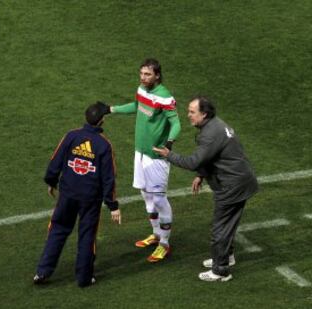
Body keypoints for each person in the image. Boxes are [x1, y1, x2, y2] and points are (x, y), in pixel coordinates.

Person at [153, 96, 258, 281]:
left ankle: (221, 271)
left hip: (231, 186)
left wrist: (169, 155)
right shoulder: (215, 126)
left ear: (204, 114)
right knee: (227, 226)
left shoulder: (210, 134)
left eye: (192, 112)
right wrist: (201, 175)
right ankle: (226, 257)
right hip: (239, 181)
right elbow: (212, 157)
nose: (188, 115)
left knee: (220, 229)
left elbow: (194, 161)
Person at [99, 58, 181, 262]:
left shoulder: (165, 98)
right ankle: (155, 234)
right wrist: (112, 109)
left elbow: (176, 123)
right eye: (141, 73)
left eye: (147, 74)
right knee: (146, 195)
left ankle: (165, 244)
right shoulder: (142, 90)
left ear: (157, 76)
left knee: (159, 198)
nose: (143, 77)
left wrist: (169, 144)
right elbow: (136, 105)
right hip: (140, 153)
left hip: (155, 157)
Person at [33, 102, 121, 287]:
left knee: (57, 230)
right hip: (90, 199)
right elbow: (108, 178)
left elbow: (55, 160)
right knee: (87, 235)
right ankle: (84, 277)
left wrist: (51, 181)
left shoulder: (71, 136)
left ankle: (42, 272)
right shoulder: (104, 145)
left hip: (67, 194)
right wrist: (112, 205)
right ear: (102, 121)